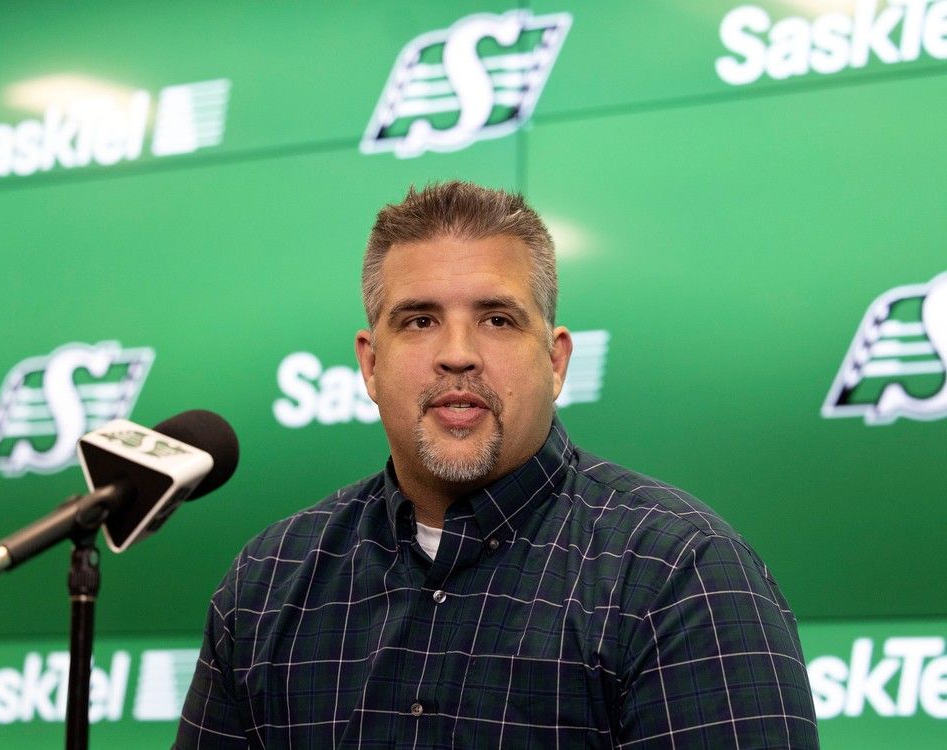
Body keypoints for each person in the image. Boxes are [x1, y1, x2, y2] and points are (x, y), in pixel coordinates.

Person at [175, 181, 819, 748]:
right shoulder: (268, 582)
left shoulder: (682, 575)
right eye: (421, 320)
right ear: (371, 364)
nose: (458, 354)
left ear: (557, 360)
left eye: (498, 319)